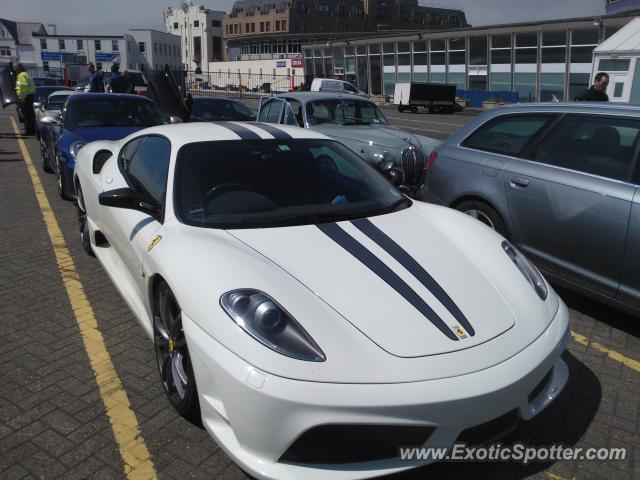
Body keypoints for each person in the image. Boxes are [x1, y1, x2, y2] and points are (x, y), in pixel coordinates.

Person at [14, 63, 36, 135]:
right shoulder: (27, 74)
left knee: (26, 115)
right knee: (30, 115)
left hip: (25, 97)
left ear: (19, 69)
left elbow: (23, 86)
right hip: (30, 96)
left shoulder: (21, 75)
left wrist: (21, 98)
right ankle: (32, 129)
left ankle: (28, 131)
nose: (15, 70)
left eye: (16, 69)